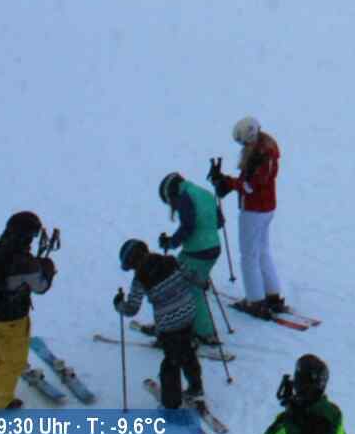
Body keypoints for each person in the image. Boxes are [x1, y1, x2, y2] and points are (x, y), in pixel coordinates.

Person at [0, 210, 57, 411]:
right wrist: (48, 269)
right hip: (11, 321)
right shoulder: (22, 262)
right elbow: (40, 286)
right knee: (13, 362)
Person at [114, 239, 205, 410]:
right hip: (188, 312)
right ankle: (196, 387)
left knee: (171, 361)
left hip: (169, 324)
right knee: (187, 350)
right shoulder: (170, 261)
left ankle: (171, 404)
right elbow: (191, 275)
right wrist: (202, 282)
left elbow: (132, 309)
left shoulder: (140, 279)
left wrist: (119, 304)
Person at [213, 117, 284, 319]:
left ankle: (255, 300)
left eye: (243, 142)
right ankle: (272, 294)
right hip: (267, 207)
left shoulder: (260, 155)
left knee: (248, 256)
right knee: (262, 251)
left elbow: (250, 186)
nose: (243, 146)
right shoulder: (266, 148)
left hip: (254, 210)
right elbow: (250, 181)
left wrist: (228, 183)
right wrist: (229, 182)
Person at [157, 172, 223, 341]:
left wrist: (171, 243)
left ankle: (204, 332)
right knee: (178, 275)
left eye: (169, 201)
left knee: (191, 288)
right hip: (213, 248)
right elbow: (220, 222)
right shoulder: (205, 193)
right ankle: (183, 322)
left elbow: (188, 226)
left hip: (198, 251)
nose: (172, 206)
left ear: (172, 193)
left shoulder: (185, 197)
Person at [257, 355, 346, 434]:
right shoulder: (334, 414)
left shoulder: (289, 422)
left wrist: (292, 412)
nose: (296, 385)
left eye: (301, 380)